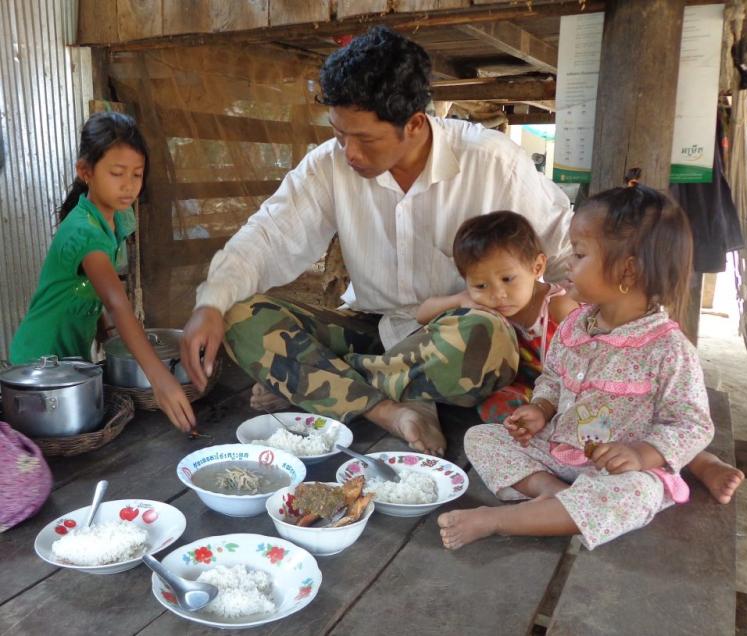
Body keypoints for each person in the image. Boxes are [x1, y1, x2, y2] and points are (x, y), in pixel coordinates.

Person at [180, 26, 573, 455]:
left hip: (450, 340)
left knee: (490, 340)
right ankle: (390, 410)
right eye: (338, 134)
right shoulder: (329, 167)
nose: (349, 152)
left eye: (364, 138)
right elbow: (269, 235)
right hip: (371, 328)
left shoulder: (493, 162)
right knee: (237, 315)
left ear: (415, 124)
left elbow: (562, 253)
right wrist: (210, 304)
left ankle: (319, 381)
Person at [438, 183, 744, 551]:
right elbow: (552, 377)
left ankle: (499, 521)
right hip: (557, 449)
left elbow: (692, 424)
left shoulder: (668, 349)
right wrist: (541, 409)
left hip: (617, 473)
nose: (568, 262)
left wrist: (641, 454)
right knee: (483, 437)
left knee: (638, 494)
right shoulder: (574, 324)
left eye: (580, 254)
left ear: (627, 272)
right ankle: (554, 496)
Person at [10, 112, 196, 432]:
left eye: (137, 175)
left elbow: (97, 285)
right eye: (117, 173)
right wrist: (160, 378)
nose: (129, 186)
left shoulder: (119, 219)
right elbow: (116, 302)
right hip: (37, 363)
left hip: (72, 360)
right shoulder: (83, 232)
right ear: (86, 171)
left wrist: (103, 328)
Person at [416, 211, 579, 422]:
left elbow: (583, 363)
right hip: (521, 388)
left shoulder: (559, 306)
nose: (497, 294)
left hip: (563, 388)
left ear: (536, 267)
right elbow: (422, 314)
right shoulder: (476, 300)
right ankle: (526, 431)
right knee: (493, 404)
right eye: (480, 285)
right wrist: (460, 300)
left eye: (507, 279)